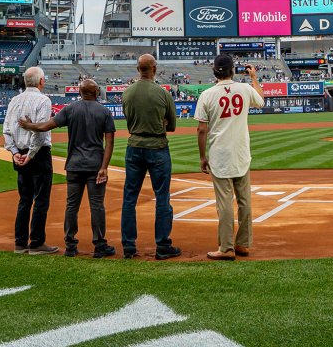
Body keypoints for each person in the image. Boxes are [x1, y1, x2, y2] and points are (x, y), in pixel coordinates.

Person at [18, 79, 116, 258]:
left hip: (74, 165)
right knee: (97, 206)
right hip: (95, 165)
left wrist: (29, 125)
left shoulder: (70, 109)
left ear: (80, 92)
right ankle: (100, 246)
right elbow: (109, 142)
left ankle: (70, 245)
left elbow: (46, 126)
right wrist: (104, 167)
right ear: (96, 93)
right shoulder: (104, 111)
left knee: (72, 206)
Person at [195, 55, 265, 261]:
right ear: (232, 70)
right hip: (241, 153)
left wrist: (202, 157)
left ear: (215, 71)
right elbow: (260, 101)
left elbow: (201, 129)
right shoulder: (244, 89)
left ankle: (226, 247)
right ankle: (243, 244)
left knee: (224, 202)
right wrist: (254, 77)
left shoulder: (207, 94)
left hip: (220, 154)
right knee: (245, 201)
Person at [120, 54, 181, 260]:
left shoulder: (127, 92)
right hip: (157, 146)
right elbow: (171, 125)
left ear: (138, 69)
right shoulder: (163, 94)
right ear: (154, 68)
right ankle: (162, 245)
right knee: (162, 196)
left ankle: (129, 246)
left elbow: (128, 118)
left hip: (134, 145)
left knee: (130, 198)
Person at [2, 66, 58, 255]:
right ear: (41, 81)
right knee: (41, 199)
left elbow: (7, 130)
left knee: (24, 199)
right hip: (39, 154)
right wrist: (31, 154)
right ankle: (36, 243)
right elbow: (40, 131)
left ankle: (20, 243)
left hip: (20, 153)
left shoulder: (14, 100)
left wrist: (14, 152)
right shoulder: (43, 100)